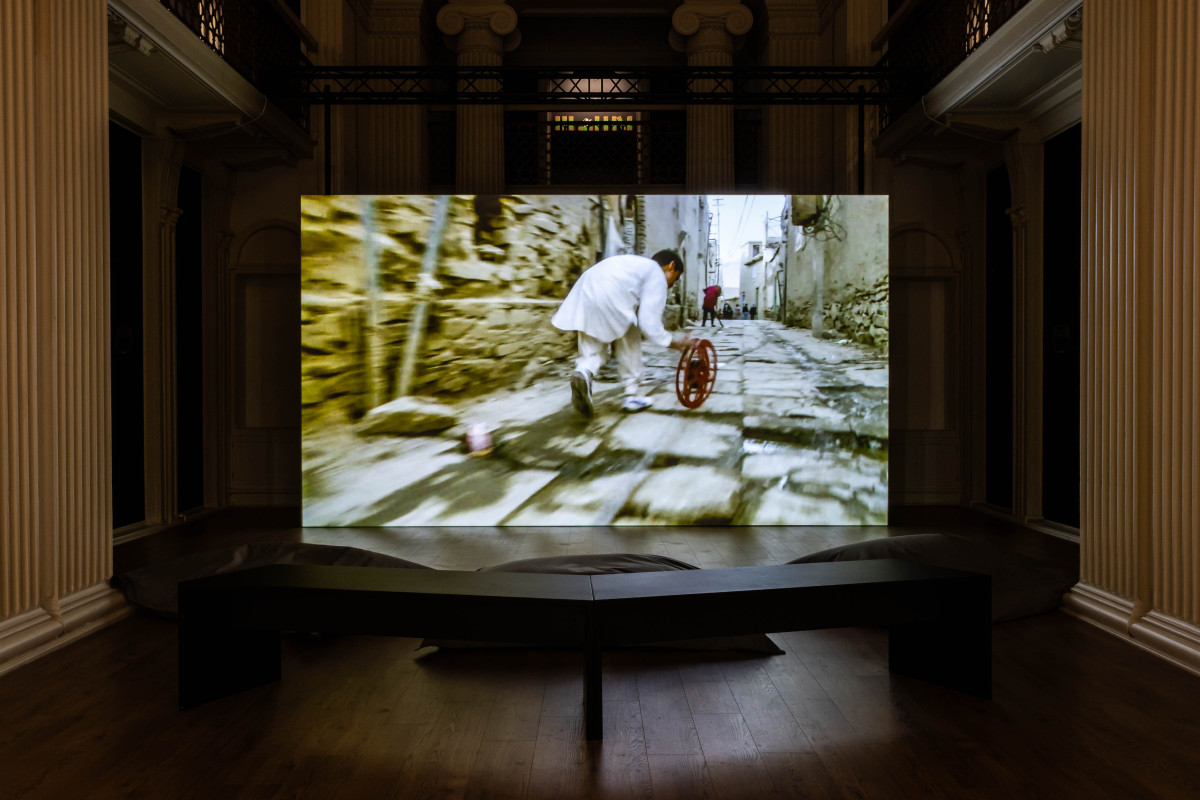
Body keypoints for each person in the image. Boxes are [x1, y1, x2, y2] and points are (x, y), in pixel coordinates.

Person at [551, 249, 693, 417]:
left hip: (586, 290)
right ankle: (631, 394)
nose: (671, 285)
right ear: (671, 266)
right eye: (675, 278)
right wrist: (673, 342)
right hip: (612, 295)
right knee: (631, 335)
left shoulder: (633, 264)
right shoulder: (656, 274)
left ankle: (583, 371)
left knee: (592, 349)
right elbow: (649, 323)